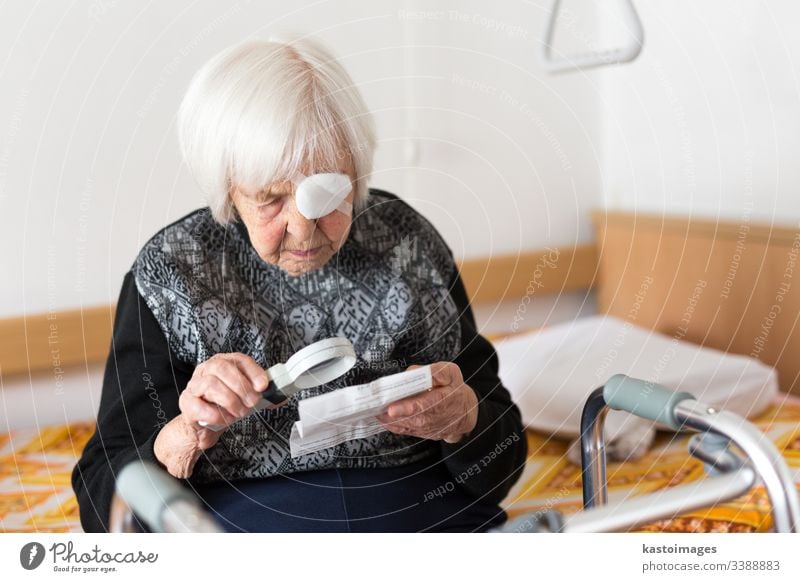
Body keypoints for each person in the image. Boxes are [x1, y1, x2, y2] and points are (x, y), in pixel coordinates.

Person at [72, 36, 527, 533]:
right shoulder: (171, 273)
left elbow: (505, 458)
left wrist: (467, 419)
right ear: (227, 188)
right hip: (240, 522)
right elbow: (102, 495)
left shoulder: (407, 243)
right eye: (270, 199)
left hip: (422, 509)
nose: (305, 228)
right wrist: (178, 439)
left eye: (330, 191)